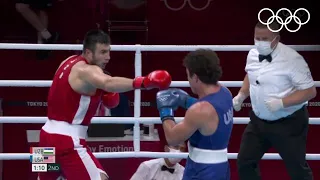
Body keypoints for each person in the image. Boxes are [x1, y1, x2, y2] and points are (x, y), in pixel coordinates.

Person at [37, 29, 172, 180]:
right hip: (68, 142)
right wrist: (144, 82)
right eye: (102, 52)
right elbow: (108, 82)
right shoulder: (88, 70)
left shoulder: (67, 61)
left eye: (108, 51)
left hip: (45, 135)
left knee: (44, 178)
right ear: (88, 53)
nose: (108, 57)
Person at [234, 21, 316, 180]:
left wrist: (282, 103)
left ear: (276, 39)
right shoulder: (252, 54)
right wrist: (241, 95)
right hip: (258, 122)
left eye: (264, 38)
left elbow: (310, 91)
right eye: (257, 38)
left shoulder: (292, 59)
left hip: (288, 123)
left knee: (297, 170)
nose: (259, 42)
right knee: (245, 162)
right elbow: (251, 75)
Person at [155, 49, 234, 180]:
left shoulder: (199, 111)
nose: (188, 80)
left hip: (204, 171)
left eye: (188, 76)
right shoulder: (225, 92)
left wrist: (165, 110)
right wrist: (187, 101)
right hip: (219, 166)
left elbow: (172, 138)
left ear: (196, 77)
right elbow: (210, 113)